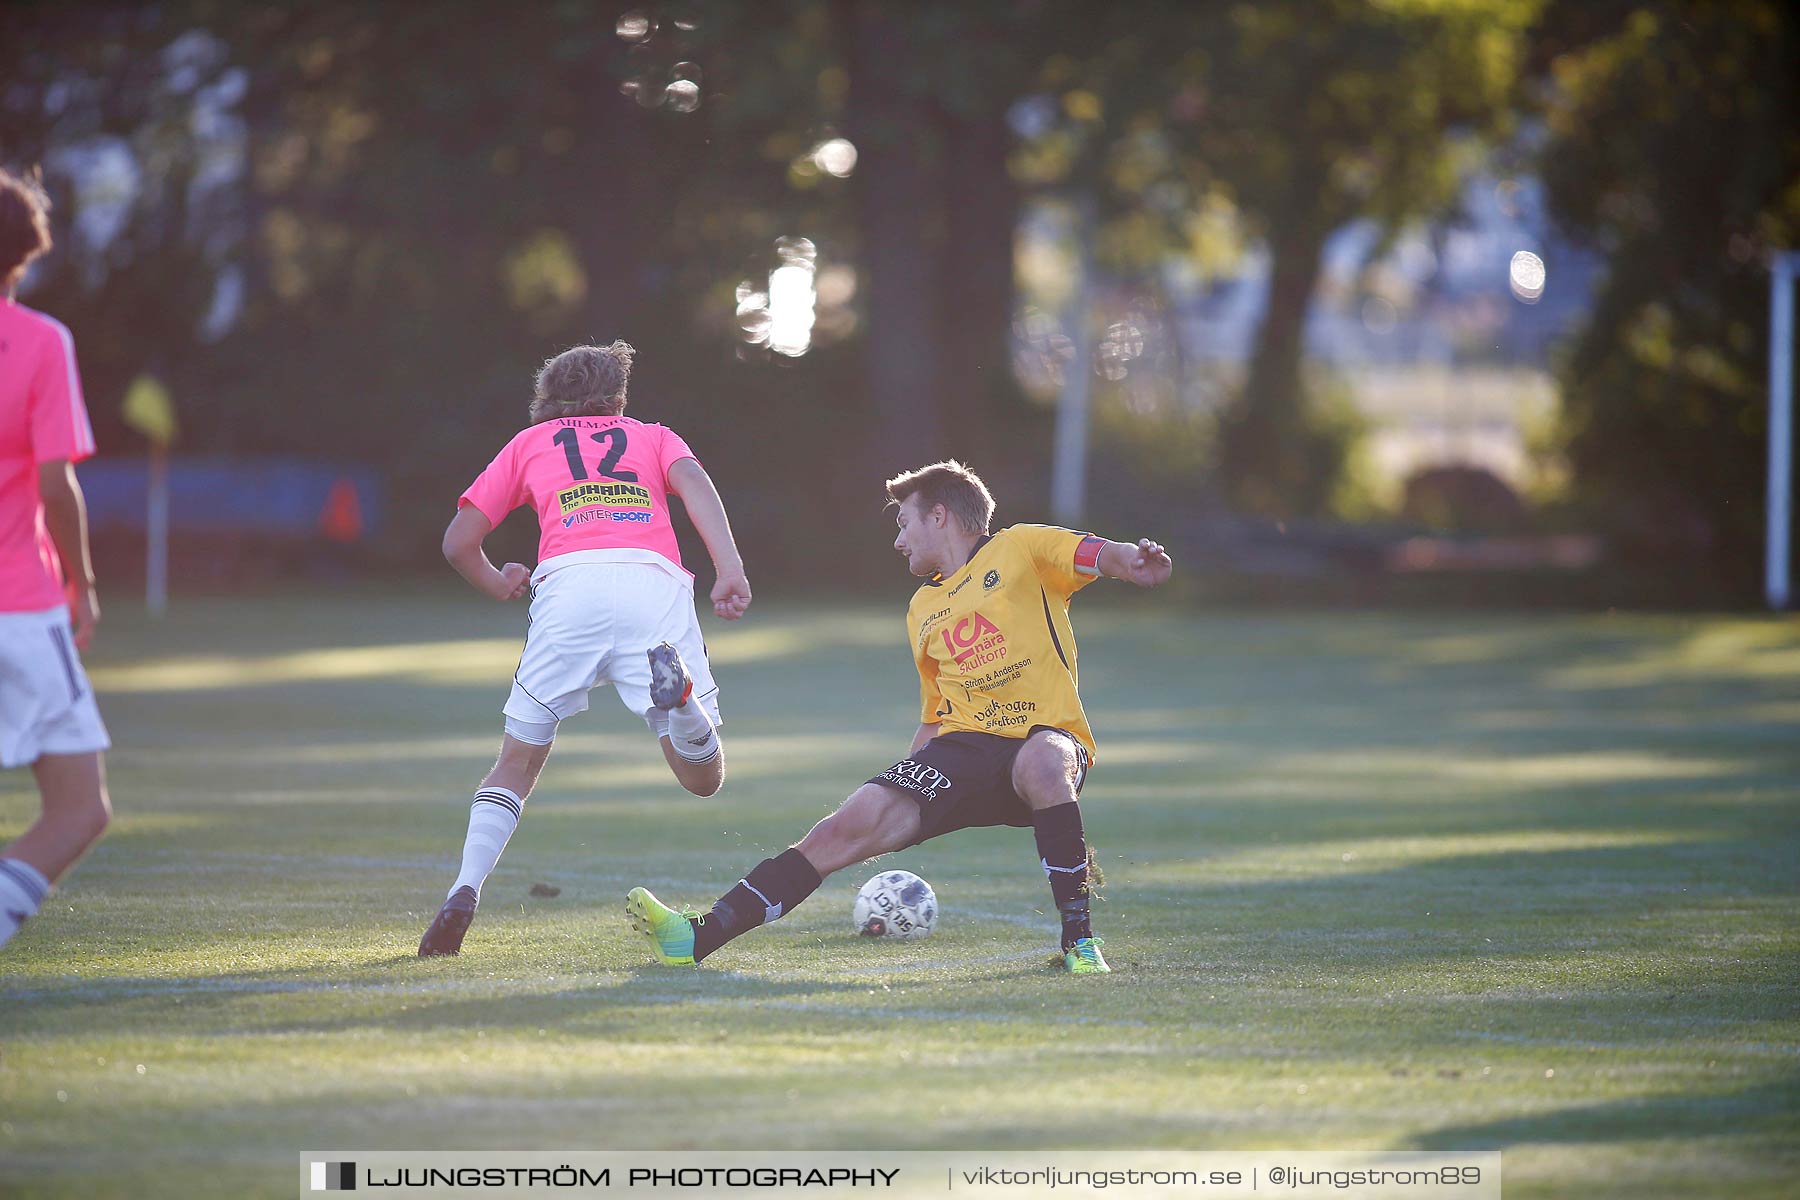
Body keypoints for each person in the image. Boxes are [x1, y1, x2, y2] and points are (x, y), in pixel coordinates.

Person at [626, 459, 1171, 974]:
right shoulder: (922, 609)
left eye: (905, 522)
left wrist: (1135, 561)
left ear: (940, 517)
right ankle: (695, 938)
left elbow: (1097, 554)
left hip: (1045, 736)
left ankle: (1079, 942)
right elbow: (935, 715)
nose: (898, 538)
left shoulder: (1021, 547)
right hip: (962, 750)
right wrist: (908, 793)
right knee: (842, 827)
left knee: (1042, 764)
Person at [418, 340, 752, 956]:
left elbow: (457, 542)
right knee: (702, 778)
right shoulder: (652, 437)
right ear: (619, 399)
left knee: (516, 762)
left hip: (568, 587)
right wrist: (728, 566)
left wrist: (499, 581)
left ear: (546, 400)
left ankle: (465, 888)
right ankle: (680, 705)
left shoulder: (529, 445)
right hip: (652, 581)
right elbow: (696, 484)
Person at [0, 166, 112, 952]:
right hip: (19, 604)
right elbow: (54, 480)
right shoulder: (39, 342)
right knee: (79, 809)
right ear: (28, 250)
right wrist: (83, 583)